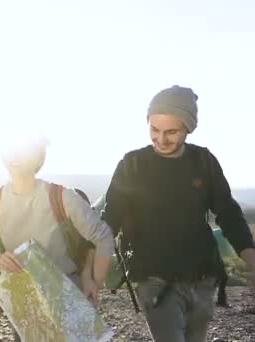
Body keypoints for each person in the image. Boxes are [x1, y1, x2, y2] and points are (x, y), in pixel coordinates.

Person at [102, 85, 255, 342]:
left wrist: (251, 260)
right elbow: (110, 219)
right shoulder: (132, 165)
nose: (161, 139)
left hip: (203, 278)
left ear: (188, 127)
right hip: (154, 279)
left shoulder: (204, 162)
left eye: (171, 131)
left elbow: (228, 213)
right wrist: (91, 273)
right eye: (154, 130)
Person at [0, 136, 115, 340]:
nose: (15, 157)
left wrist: (94, 281)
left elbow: (103, 236)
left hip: (68, 297)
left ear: (38, 157)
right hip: (22, 300)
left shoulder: (62, 197)